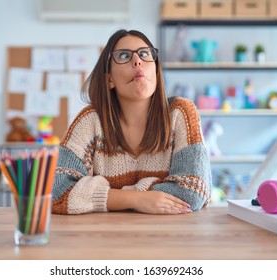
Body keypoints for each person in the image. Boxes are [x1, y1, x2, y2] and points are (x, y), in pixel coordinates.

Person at [52, 29, 211, 215]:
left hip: (168, 238)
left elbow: (193, 192)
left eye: (144, 53)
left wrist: (106, 196)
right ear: (109, 78)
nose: (137, 60)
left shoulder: (180, 112)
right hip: (104, 239)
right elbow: (56, 192)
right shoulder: (89, 120)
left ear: (156, 69)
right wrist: (137, 199)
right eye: (124, 55)